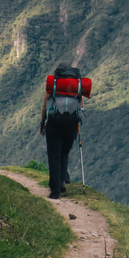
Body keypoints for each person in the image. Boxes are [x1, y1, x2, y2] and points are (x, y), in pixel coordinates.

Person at [40, 67, 83, 200]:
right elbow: (80, 108)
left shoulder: (54, 86)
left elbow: (44, 107)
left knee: (54, 156)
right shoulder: (77, 88)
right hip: (70, 126)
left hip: (54, 125)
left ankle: (55, 191)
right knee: (64, 153)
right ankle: (62, 180)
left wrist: (42, 124)